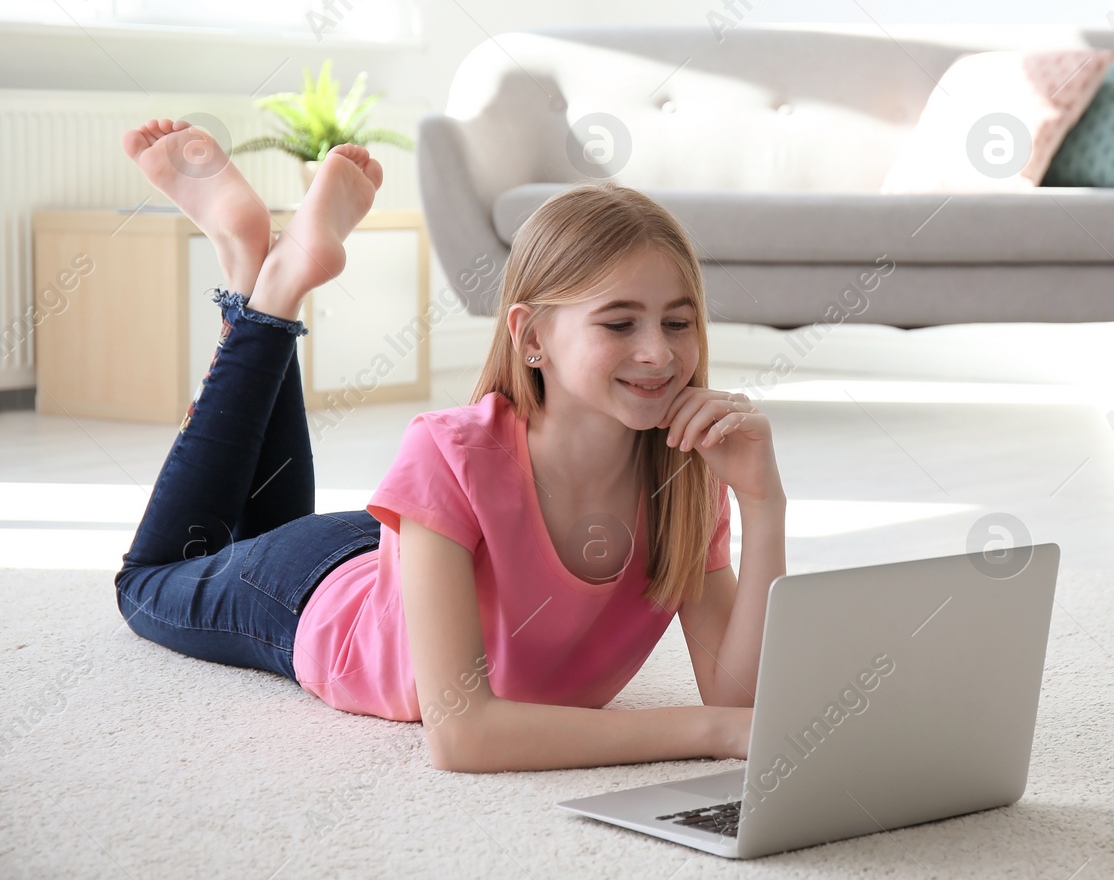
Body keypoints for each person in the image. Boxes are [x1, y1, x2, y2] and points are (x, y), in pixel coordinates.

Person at [113, 119, 785, 772]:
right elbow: (463, 733)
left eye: (677, 321)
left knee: (265, 525)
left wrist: (763, 502)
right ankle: (268, 282)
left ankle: (256, 268)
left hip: (418, 547)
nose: (658, 352)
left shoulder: (685, 473)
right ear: (531, 338)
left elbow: (742, 701)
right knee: (147, 581)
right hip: (314, 593)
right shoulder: (452, 452)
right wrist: (706, 730)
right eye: (619, 321)